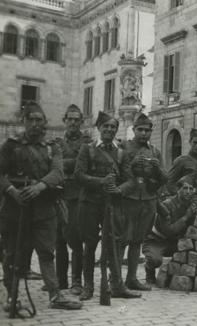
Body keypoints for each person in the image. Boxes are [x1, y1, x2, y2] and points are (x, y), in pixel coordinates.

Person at [0, 101, 82, 310]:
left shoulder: (51, 147)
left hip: (44, 209)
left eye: (39, 120)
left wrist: (40, 187)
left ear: (45, 123)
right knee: (13, 254)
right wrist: (12, 191)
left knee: (46, 252)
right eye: (31, 119)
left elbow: (58, 172)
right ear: (23, 121)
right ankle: (12, 298)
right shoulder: (11, 146)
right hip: (14, 209)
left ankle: (55, 295)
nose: (35, 124)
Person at [74, 111, 140, 300]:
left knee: (113, 245)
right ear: (99, 128)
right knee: (90, 245)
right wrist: (101, 182)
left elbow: (131, 180)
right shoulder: (87, 149)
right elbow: (79, 175)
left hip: (112, 204)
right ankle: (88, 287)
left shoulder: (121, 152)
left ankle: (117, 285)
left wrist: (120, 190)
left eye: (113, 127)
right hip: (89, 203)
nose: (109, 130)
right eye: (106, 126)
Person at [117, 113, 167, 291]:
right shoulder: (124, 148)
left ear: (151, 132)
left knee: (137, 241)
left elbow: (164, 178)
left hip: (147, 200)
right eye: (140, 130)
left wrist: (156, 170)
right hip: (128, 200)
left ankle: (131, 279)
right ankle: (116, 280)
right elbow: (118, 174)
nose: (144, 133)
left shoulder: (155, 152)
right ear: (134, 130)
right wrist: (132, 164)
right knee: (123, 240)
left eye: (147, 130)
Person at [54, 104, 92, 295]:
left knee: (76, 240)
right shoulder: (57, 142)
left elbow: (81, 165)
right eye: (70, 119)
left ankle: (76, 281)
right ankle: (59, 281)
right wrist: (67, 165)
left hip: (78, 196)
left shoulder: (87, 142)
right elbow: (53, 166)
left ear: (82, 122)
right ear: (64, 120)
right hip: (59, 195)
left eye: (77, 119)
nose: (73, 123)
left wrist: (62, 164)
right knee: (59, 240)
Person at [142, 175, 197, 283]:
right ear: (178, 189)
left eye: (191, 189)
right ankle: (149, 269)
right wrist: (186, 216)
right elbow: (169, 231)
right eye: (185, 188)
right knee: (155, 260)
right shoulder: (167, 204)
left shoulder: (192, 205)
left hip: (176, 242)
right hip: (157, 240)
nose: (188, 191)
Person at [167, 129, 197, 195]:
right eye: (195, 142)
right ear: (190, 142)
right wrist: (179, 195)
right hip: (185, 200)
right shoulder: (181, 160)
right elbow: (169, 182)